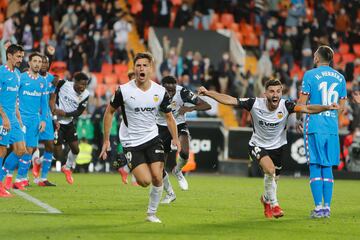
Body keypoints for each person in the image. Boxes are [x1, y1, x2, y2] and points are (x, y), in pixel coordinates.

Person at [198, 79, 339, 219]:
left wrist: (326, 107)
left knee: (273, 178)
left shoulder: (286, 105)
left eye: (278, 91)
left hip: (277, 147)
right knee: (270, 170)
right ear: (265, 93)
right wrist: (208, 93)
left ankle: (265, 199)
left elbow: (307, 108)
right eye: (271, 91)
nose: (275, 94)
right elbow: (230, 100)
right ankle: (275, 205)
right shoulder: (254, 103)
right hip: (257, 145)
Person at [99, 52, 180, 223]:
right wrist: (106, 140)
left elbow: (169, 117)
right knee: (144, 181)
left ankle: (151, 213)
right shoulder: (124, 90)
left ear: (151, 68)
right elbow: (109, 112)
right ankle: (128, 164)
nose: (141, 68)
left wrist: (176, 139)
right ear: (134, 69)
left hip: (152, 137)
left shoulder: (160, 91)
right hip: (131, 141)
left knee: (157, 176)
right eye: (138, 65)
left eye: (145, 65)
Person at [297, 45, 347, 218]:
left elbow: (301, 103)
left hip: (315, 126)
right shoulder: (340, 78)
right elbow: (341, 108)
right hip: (332, 128)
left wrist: (297, 119)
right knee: (327, 167)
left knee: (315, 166)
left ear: (317, 58)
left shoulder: (310, 75)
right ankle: (327, 208)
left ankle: (318, 208)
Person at [157, 75, 211, 204]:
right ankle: (170, 193)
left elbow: (206, 105)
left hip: (179, 124)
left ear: (176, 87)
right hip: (160, 127)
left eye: (172, 90)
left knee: (185, 153)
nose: (170, 93)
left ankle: (177, 170)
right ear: (161, 87)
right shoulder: (155, 93)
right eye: (167, 90)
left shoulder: (183, 92)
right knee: (158, 167)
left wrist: (190, 108)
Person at [11, 52, 48, 189]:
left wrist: (44, 120)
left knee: (31, 149)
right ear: (29, 63)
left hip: (35, 119)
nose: (38, 64)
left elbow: (44, 104)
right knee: (21, 149)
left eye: (40, 61)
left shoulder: (42, 81)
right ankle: (8, 175)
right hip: (21, 118)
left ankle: (20, 178)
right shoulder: (21, 78)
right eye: (35, 61)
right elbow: (13, 97)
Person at [52, 72, 90, 184]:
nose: (82, 87)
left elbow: (79, 112)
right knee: (58, 154)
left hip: (68, 123)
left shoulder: (86, 94)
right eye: (81, 84)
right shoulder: (64, 84)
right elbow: (52, 85)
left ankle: (67, 167)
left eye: (85, 85)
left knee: (76, 149)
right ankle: (39, 161)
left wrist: (64, 113)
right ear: (75, 81)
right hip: (57, 122)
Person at [0, 44, 25, 197]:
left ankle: (2, 177)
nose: (20, 60)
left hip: (13, 118)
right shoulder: (1, 72)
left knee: (22, 150)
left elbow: (15, 99)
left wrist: (18, 118)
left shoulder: (17, 74)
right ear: (9, 55)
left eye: (22, 57)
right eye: (18, 56)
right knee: (2, 150)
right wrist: (4, 117)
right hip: (2, 117)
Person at [32, 54, 58, 186]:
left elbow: (52, 99)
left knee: (50, 145)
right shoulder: (31, 76)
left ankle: (43, 178)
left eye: (46, 63)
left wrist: (55, 117)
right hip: (32, 115)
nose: (43, 65)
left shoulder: (52, 79)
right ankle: (22, 178)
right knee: (30, 147)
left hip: (46, 117)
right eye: (42, 62)